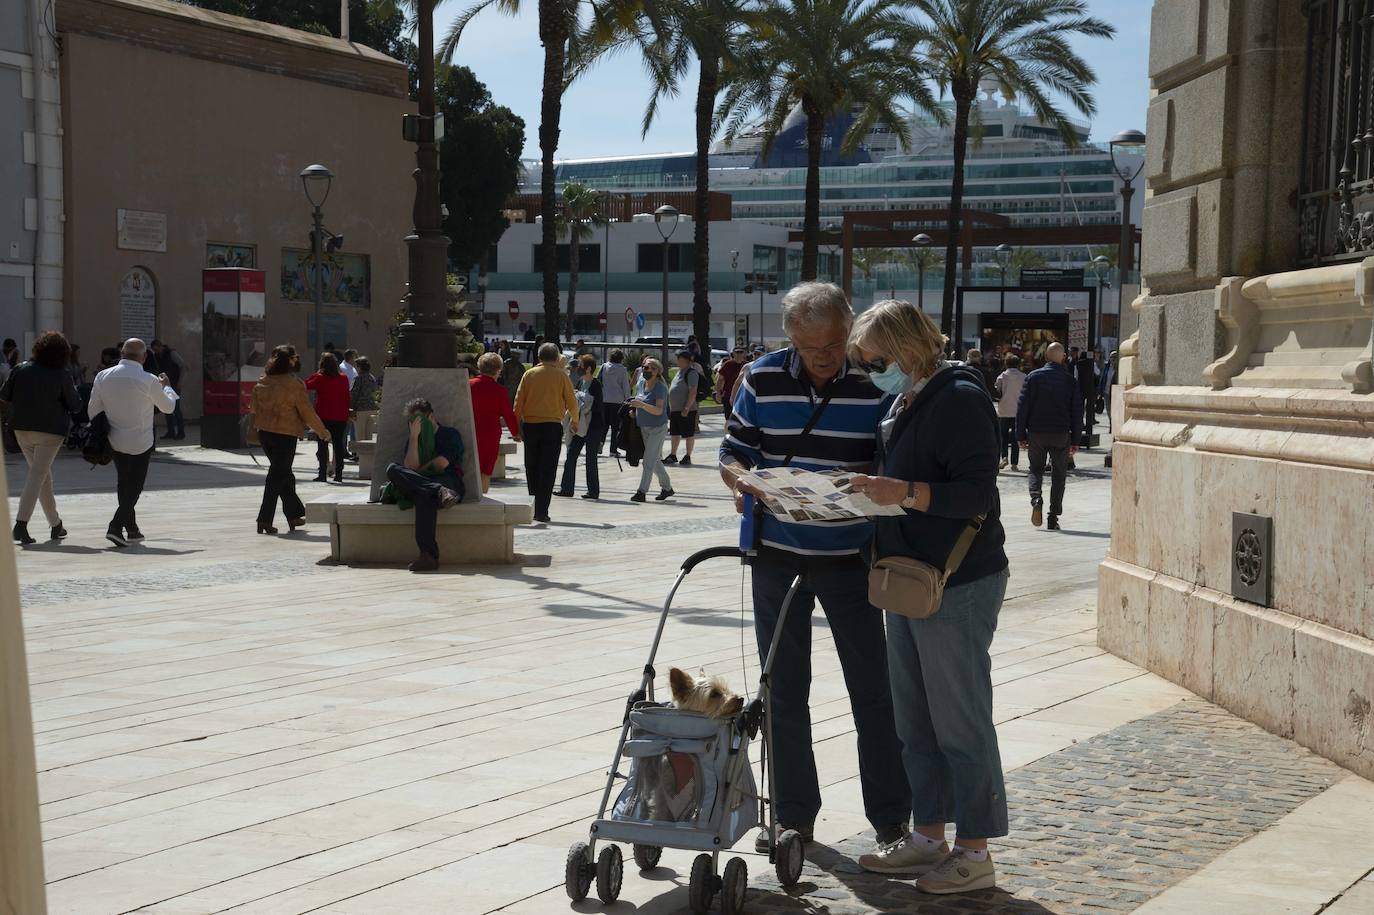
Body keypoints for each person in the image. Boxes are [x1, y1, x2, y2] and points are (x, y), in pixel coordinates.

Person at [718, 282, 909, 855]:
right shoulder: (761, 377)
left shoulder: (875, 380)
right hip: (777, 554)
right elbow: (733, 450)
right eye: (809, 348)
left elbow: (895, 458)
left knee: (873, 690)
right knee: (781, 690)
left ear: (850, 328)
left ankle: (892, 820)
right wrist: (741, 482)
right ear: (790, 339)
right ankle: (792, 817)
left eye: (832, 345)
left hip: (852, 558)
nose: (823, 358)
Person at [845, 300, 1010, 895]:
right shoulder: (906, 399)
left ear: (908, 348)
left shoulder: (959, 396)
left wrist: (904, 492)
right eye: (865, 364)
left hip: (957, 580)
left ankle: (975, 850)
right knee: (914, 720)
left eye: (877, 361)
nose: (872, 372)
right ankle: (928, 835)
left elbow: (976, 493)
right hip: (910, 577)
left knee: (960, 721)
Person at [87, 338, 178, 547]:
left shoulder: (102, 376)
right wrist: (167, 388)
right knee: (135, 487)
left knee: (124, 483)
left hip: (114, 439)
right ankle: (115, 526)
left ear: (122, 354)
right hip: (140, 440)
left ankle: (132, 529)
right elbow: (168, 408)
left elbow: (93, 410)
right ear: (144, 357)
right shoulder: (149, 380)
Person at [1, 331, 82, 544]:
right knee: (37, 476)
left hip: (21, 429)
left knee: (41, 476)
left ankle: (56, 524)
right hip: (50, 432)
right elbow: (75, 405)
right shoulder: (62, 374)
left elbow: (4, 395)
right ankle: (20, 524)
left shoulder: (20, 369)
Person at [249, 345, 329, 535]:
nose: (297, 360)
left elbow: (253, 409)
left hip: (265, 434)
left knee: (283, 473)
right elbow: (307, 412)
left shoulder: (263, 381)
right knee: (277, 476)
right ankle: (264, 519)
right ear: (290, 360)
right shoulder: (294, 384)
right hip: (285, 435)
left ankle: (294, 515)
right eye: (295, 357)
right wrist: (322, 432)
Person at [382, 398, 465, 572]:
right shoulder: (414, 438)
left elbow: (441, 463)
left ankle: (428, 556)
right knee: (392, 469)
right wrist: (414, 437)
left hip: (448, 481)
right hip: (437, 489)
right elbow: (409, 467)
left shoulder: (450, 434)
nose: (415, 424)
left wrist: (417, 475)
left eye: (419, 420)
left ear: (431, 417)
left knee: (423, 494)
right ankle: (438, 491)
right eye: (412, 421)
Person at [1015, 341, 1081, 530]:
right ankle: (1053, 517)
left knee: (1035, 469)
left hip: (1037, 432)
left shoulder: (1033, 377)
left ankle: (1036, 498)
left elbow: (1022, 408)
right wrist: (1076, 440)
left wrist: (1020, 435)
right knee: (1059, 475)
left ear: (1045, 357)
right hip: (1061, 433)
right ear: (1063, 357)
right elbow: (1077, 411)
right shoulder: (1070, 380)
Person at [514, 342, 578, 523]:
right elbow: (572, 401)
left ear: (538, 357)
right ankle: (542, 511)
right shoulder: (561, 375)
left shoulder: (529, 374)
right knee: (548, 469)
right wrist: (575, 420)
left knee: (531, 467)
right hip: (552, 426)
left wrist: (516, 427)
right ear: (557, 358)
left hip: (531, 426)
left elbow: (518, 401)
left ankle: (533, 505)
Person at [470, 351, 520, 493]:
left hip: (470, 431)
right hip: (490, 434)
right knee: (486, 469)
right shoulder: (500, 391)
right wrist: (515, 433)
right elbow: (508, 414)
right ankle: (483, 496)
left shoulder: (468, 385)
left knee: (470, 466)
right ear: (498, 370)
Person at [558, 354, 606, 499]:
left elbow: (597, 407)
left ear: (589, 368)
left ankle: (593, 491)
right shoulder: (580, 382)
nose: (578, 368)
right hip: (579, 425)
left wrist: (582, 400)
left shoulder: (596, 385)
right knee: (571, 456)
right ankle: (566, 488)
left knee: (591, 459)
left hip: (593, 427)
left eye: (580, 366)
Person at [626, 358, 673, 502]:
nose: (648, 370)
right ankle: (667, 488)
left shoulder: (660, 388)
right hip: (643, 426)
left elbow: (659, 410)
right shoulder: (641, 382)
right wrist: (634, 410)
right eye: (646, 367)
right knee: (654, 460)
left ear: (658, 372)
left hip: (657, 428)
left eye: (652, 368)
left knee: (648, 461)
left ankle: (641, 492)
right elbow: (639, 400)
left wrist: (641, 405)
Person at [304, 353, 350, 483]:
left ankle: (322, 474)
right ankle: (339, 474)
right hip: (340, 416)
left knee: (322, 445)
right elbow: (347, 396)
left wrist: (317, 373)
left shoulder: (320, 378)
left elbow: (306, 385)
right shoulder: (344, 378)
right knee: (338, 445)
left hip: (323, 416)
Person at [664, 350, 701, 465]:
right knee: (674, 433)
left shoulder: (691, 373)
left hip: (687, 410)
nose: (678, 362)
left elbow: (693, 391)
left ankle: (687, 456)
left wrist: (686, 408)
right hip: (675, 409)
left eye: (680, 360)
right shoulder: (679, 372)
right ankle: (673, 454)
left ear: (687, 361)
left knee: (688, 433)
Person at [994, 353, 1027, 470]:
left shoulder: (1002, 376)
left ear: (1006, 363)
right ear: (1018, 364)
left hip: (1004, 410)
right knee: (1015, 437)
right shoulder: (1024, 377)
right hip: (1018, 410)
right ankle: (1014, 463)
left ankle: (1004, 457)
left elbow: (997, 392)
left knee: (1003, 436)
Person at [150, 340, 186, 440]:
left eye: (156, 349)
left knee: (176, 409)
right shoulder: (157, 356)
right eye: (154, 350)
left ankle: (181, 432)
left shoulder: (171, 353)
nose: (156, 351)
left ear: (160, 346)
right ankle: (171, 432)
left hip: (175, 384)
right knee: (167, 408)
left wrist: (180, 382)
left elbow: (183, 366)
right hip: (165, 385)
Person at [600, 349, 630, 456]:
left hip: (604, 399)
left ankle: (600, 443)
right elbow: (625, 385)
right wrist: (628, 399)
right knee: (615, 427)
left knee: (604, 425)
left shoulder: (604, 367)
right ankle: (613, 449)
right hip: (617, 400)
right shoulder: (622, 369)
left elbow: (599, 381)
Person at [1074, 348, 1099, 447]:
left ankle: (1080, 424)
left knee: (1080, 409)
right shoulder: (1092, 363)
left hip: (1080, 388)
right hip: (1090, 389)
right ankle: (1089, 424)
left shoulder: (1077, 364)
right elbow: (1097, 373)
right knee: (1089, 408)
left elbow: (1075, 377)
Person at [715, 347, 747, 421]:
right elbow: (720, 379)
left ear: (744, 354)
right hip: (728, 395)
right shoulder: (728, 364)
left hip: (742, 396)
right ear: (733, 354)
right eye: (737, 352)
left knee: (741, 418)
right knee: (728, 417)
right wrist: (718, 393)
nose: (739, 354)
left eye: (741, 352)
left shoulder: (746, 365)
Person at [498, 340, 525, 408]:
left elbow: (501, 373)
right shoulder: (520, 366)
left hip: (508, 384)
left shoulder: (507, 363)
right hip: (515, 385)